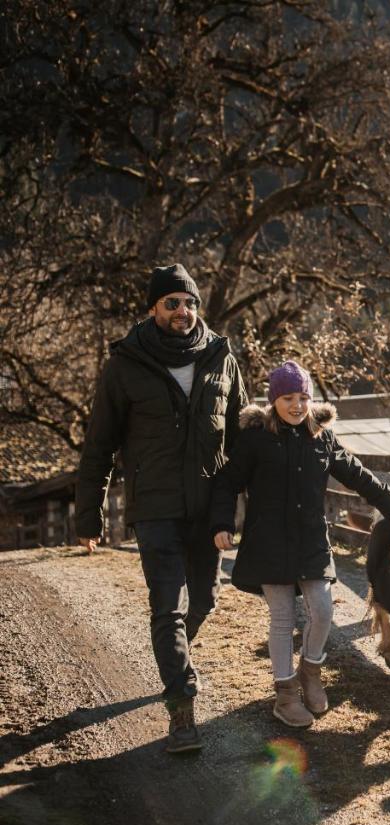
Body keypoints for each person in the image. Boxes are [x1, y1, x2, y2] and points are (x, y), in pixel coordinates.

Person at [76, 264, 249, 753]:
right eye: (172, 302)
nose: (182, 311)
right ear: (153, 308)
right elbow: (99, 445)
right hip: (154, 508)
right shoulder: (125, 365)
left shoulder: (221, 357)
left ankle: (174, 661)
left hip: (208, 506)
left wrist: (251, 507)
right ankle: (182, 710)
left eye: (189, 302)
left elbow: (244, 440)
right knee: (168, 607)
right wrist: (88, 516)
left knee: (205, 600)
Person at [209, 361, 390, 728]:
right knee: (283, 619)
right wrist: (222, 523)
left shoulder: (321, 436)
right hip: (268, 543)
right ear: (274, 400)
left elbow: (356, 474)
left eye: (303, 397)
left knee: (323, 610)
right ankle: (285, 694)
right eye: (288, 398)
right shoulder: (255, 438)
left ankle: (310, 672)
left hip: (310, 543)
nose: (297, 405)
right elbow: (226, 483)